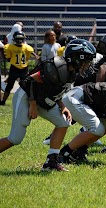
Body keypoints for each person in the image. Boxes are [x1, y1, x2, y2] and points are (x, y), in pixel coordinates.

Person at [0, 39, 96, 171]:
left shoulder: (71, 71)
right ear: (77, 58)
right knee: (15, 138)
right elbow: (29, 81)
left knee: (63, 122)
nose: (88, 65)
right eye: (86, 61)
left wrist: (62, 105)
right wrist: (32, 105)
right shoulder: (56, 66)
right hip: (27, 96)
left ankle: (51, 162)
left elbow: (57, 89)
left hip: (43, 100)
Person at [1, 31, 38, 105]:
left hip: (16, 68)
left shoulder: (10, 47)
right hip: (21, 68)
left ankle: (3, 101)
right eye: (18, 39)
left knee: (20, 86)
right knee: (16, 85)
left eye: (20, 39)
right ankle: (3, 101)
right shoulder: (27, 48)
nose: (19, 40)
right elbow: (31, 55)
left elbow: (8, 57)